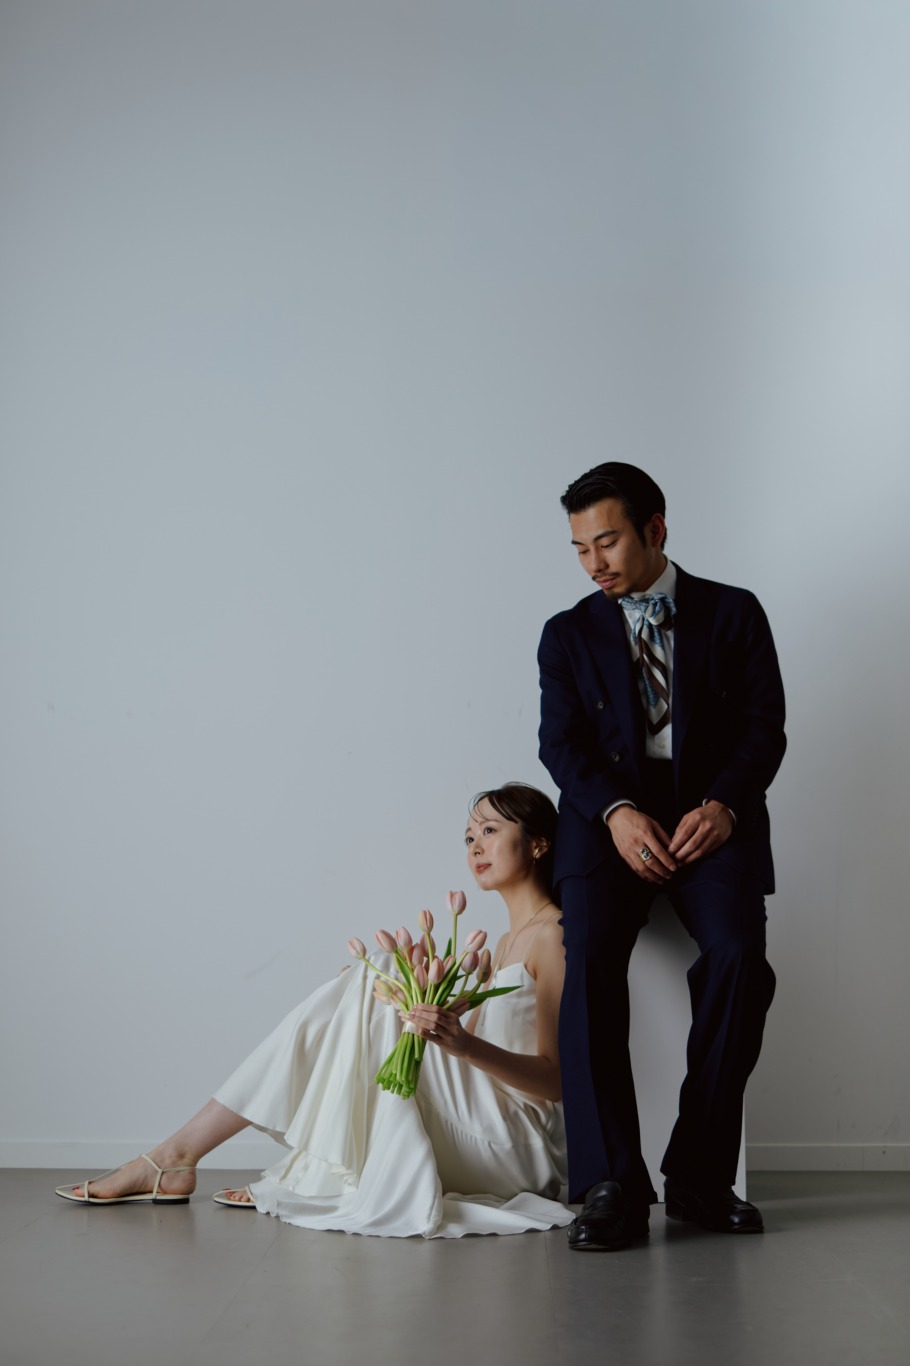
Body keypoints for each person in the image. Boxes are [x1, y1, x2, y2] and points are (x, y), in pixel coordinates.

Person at [55, 784, 574, 1239]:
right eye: (468, 837)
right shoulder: (504, 941)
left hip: (517, 1145)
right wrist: (414, 1009)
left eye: (489, 830)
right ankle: (193, 1157)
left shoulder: (552, 936)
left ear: (538, 843)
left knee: (377, 973)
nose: (475, 846)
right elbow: (466, 1059)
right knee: (377, 985)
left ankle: (184, 1157)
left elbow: (553, 1083)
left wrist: (458, 1041)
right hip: (482, 1118)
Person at [538, 462, 785, 1251]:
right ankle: (609, 1183)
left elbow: (765, 727)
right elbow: (560, 744)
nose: (594, 563)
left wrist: (724, 806)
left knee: (740, 958)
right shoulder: (566, 633)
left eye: (607, 542)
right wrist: (615, 813)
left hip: (710, 818)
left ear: (655, 529)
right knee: (588, 958)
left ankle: (700, 1177)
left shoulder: (734, 612)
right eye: (580, 548)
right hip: (606, 821)